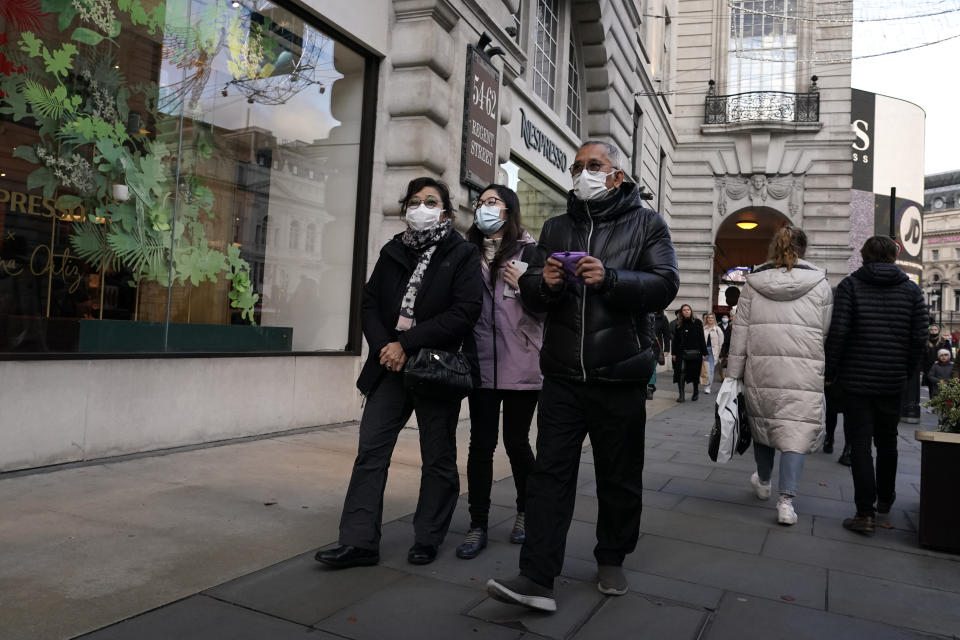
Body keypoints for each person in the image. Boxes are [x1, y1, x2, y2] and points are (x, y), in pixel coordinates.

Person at [486, 140, 678, 612]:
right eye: (577, 167)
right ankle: (537, 577)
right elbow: (530, 292)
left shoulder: (648, 223)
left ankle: (612, 556)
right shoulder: (556, 226)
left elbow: (665, 285)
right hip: (564, 375)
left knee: (619, 474)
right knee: (550, 475)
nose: (583, 173)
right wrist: (542, 283)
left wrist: (610, 278)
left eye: (594, 165)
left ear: (616, 175)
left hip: (621, 375)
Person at [315, 177, 482, 569]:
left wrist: (405, 345)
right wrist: (384, 347)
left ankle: (428, 537)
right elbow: (369, 304)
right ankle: (358, 542)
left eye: (431, 201)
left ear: (445, 210)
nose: (421, 207)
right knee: (371, 452)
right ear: (405, 207)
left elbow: (464, 311)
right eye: (415, 201)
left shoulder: (461, 253)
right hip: (388, 367)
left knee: (437, 456)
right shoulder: (393, 249)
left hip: (432, 367)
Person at [456, 184, 543, 560]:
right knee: (480, 445)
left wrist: (525, 285)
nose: (484, 208)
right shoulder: (466, 253)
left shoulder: (532, 251)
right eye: (480, 203)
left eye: (492, 202)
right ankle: (478, 523)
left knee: (517, 443)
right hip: (480, 362)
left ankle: (527, 512)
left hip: (522, 360)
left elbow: (548, 306)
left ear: (509, 210)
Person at [726, 226, 833, 526]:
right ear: (804, 249)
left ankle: (763, 481)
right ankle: (786, 503)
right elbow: (823, 331)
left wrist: (733, 374)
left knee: (764, 424)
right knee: (795, 431)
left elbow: (740, 333)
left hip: (761, 367)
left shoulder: (753, 283)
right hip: (805, 370)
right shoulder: (820, 284)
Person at [825, 236, 927, 535]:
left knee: (860, 445)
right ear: (895, 256)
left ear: (864, 255)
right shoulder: (911, 290)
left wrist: (830, 372)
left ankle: (864, 513)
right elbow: (919, 336)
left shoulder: (850, 286)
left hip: (856, 380)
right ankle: (885, 499)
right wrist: (906, 371)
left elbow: (839, 333)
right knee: (888, 441)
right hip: (892, 379)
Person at [672, 304, 707, 402]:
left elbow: (701, 338)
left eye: (688, 309)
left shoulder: (698, 322)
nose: (687, 311)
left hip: (695, 352)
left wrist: (704, 352)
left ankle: (695, 391)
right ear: (681, 312)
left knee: (694, 373)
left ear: (691, 311)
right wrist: (673, 353)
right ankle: (681, 395)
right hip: (681, 352)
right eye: (684, 310)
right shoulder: (679, 324)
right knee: (681, 371)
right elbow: (675, 340)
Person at [923, 325, 951, 399]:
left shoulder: (943, 341)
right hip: (928, 367)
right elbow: (922, 356)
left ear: (938, 331)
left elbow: (949, 354)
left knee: (942, 387)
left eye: (935, 329)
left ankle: (941, 406)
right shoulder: (925, 341)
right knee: (931, 387)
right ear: (929, 331)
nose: (933, 331)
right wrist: (921, 368)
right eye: (931, 330)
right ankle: (933, 404)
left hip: (941, 367)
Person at [701, 313, 724, 394]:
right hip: (704, 352)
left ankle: (708, 387)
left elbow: (721, 343)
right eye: (708, 318)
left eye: (712, 318)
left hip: (713, 352)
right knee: (704, 370)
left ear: (714, 319)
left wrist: (718, 353)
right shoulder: (703, 329)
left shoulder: (718, 329)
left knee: (710, 370)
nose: (710, 319)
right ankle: (704, 383)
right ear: (706, 319)